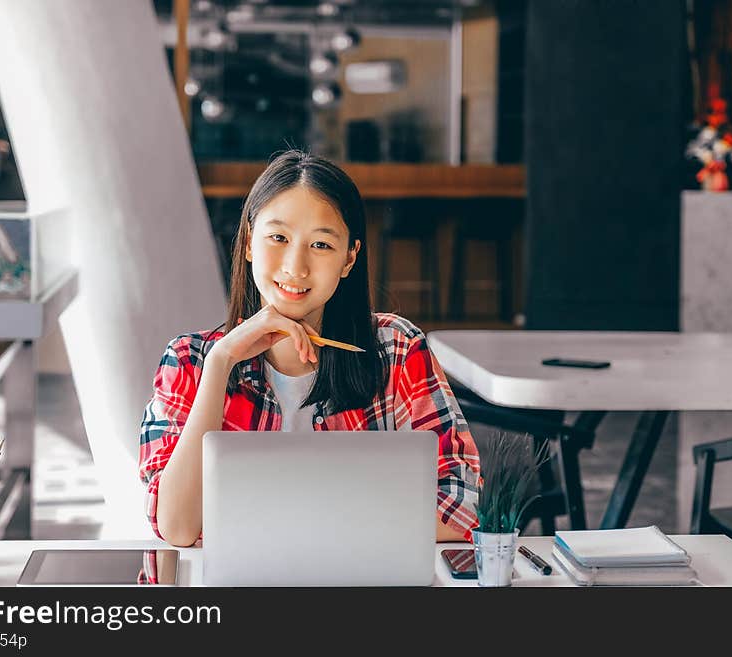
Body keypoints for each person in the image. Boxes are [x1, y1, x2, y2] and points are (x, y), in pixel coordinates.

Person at [138, 149, 480, 547]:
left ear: (349, 258)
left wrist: (295, 522)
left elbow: (464, 507)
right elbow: (177, 526)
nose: (295, 268)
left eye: (320, 245)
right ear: (249, 243)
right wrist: (221, 362)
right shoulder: (190, 360)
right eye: (278, 238)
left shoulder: (396, 348)